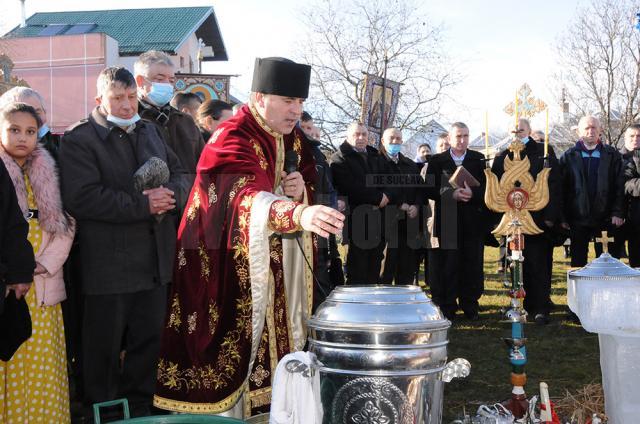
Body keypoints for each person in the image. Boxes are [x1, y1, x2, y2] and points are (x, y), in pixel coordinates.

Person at [153, 57, 344, 418]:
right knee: (235, 342)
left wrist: (301, 189)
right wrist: (300, 212)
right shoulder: (233, 136)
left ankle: (283, 408)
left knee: (283, 333)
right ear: (259, 97)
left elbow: (306, 176)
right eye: (287, 101)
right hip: (225, 259)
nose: (295, 111)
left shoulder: (293, 138)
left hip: (279, 261)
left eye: (300, 103)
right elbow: (243, 198)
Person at [59, 66, 188, 419]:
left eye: (131, 97)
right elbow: (82, 197)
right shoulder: (79, 139)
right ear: (100, 99)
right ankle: (102, 414)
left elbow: (181, 175)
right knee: (102, 350)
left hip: (154, 263)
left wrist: (170, 196)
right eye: (118, 98)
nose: (128, 106)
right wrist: (142, 204)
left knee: (148, 345)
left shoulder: (151, 131)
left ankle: (142, 412)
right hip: (109, 267)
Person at [0, 102, 75, 423]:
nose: (22, 138)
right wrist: (12, 268)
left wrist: (44, 263)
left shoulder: (49, 168)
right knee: (12, 358)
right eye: (14, 130)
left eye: (30, 131)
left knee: (44, 359)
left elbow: (67, 223)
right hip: (7, 281)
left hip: (45, 281)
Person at [491, 119, 562, 325]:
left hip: (537, 219)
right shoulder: (502, 155)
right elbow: (496, 187)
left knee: (538, 264)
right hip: (512, 222)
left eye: (521, 130)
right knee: (516, 264)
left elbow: (554, 184)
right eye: (513, 130)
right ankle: (518, 305)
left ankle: (540, 306)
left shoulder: (543, 151)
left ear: (529, 130)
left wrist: (550, 216)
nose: (517, 133)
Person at [425, 122, 487, 320]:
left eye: (466, 136)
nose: (462, 140)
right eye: (458, 136)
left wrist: (474, 193)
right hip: (447, 221)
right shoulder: (436, 160)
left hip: (472, 221)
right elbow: (429, 189)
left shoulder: (478, 159)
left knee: (472, 264)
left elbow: (488, 188)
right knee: (448, 265)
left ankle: (470, 305)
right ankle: (447, 305)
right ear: (449, 139)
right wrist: (452, 194)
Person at [331, 122, 393, 284]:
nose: (361, 138)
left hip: (379, 220)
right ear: (348, 136)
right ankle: (356, 306)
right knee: (357, 268)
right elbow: (349, 186)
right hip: (356, 220)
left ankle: (371, 304)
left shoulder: (376, 155)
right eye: (356, 134)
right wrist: (377, 198)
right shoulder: (339, 158)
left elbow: (390, 179)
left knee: (375, 265)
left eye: (364, 134)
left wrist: (387, 194)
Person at [559, 115, 625, 267]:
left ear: (600, 130)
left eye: (594, 127)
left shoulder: (612, 155)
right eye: (586, 128)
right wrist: (562, 217)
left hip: (606, 217)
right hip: (577, 217)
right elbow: (561, 189)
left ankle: (607, 290)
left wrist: (617, 212)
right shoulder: (568, 157)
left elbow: (619, 186)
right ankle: (581, 291)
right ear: (579, 132)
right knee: (578, 263)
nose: (590, 131)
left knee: (607, 262)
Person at [135, 50, 204, 184]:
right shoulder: (132, 120)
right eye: (159, 79)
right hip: (151, 200)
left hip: (188, 199)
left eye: (171, 80)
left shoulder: (185, 121)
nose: (167, 85)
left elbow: (203, 164)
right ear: (140, 81)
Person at [299, 111, 343, 308]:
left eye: (310, 128)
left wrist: (329, 212)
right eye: (304, 127)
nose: (307, 132)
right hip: (295, 225)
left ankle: (319, 320)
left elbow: (328, 189)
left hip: (319, 226)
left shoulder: (316, 154)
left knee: (320, 272)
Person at [379, 127, 423, 284]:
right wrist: (399, 204)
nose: (395, 141)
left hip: (408, 224)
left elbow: (420, 189)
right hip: (386, 223)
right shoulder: (377, 163)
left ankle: (402, 303)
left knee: (406, 268)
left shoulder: (410, 165)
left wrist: (416, 206)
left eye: (398, 138)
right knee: (386, 268)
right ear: (383, 141)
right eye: (391, 138)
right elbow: (377, 189)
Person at [0, 87, 59, 161]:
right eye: (20, 114)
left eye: (36, 113)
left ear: (45, 113)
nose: (32, 119)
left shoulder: (58, 143)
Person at [623, 124, 640, 267]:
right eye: (632, 136)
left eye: (639, 136)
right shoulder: (616, 157)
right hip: (621, 216)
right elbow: (625, 183)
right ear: (625, 138)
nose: (635, 139)